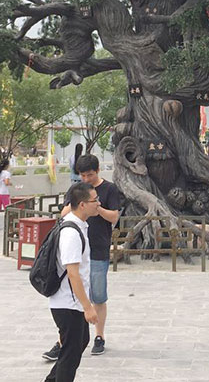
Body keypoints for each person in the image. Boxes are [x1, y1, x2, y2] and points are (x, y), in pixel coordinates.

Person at [43, 155, 120, 360]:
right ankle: (63, 341)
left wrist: (96, 207)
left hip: (97, 249)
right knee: (73, 296)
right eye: (83, 175)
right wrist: (78, 203)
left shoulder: (110, 190)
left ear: (98, 171)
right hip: (76, 250)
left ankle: (99, 336)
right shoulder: (76, 190)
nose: (86, 178)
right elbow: (64, 213)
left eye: (90, 175)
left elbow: (114, 217)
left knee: (98, 296)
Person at [44, 181, 100, 382]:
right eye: (95, 200)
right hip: (67, 303)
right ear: (82, 204)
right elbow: (73, 273)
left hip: (72, 301)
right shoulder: (71, 232)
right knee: (70, 354)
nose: (98, 204)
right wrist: (88, 307)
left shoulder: (79, 225)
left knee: (78, 343)